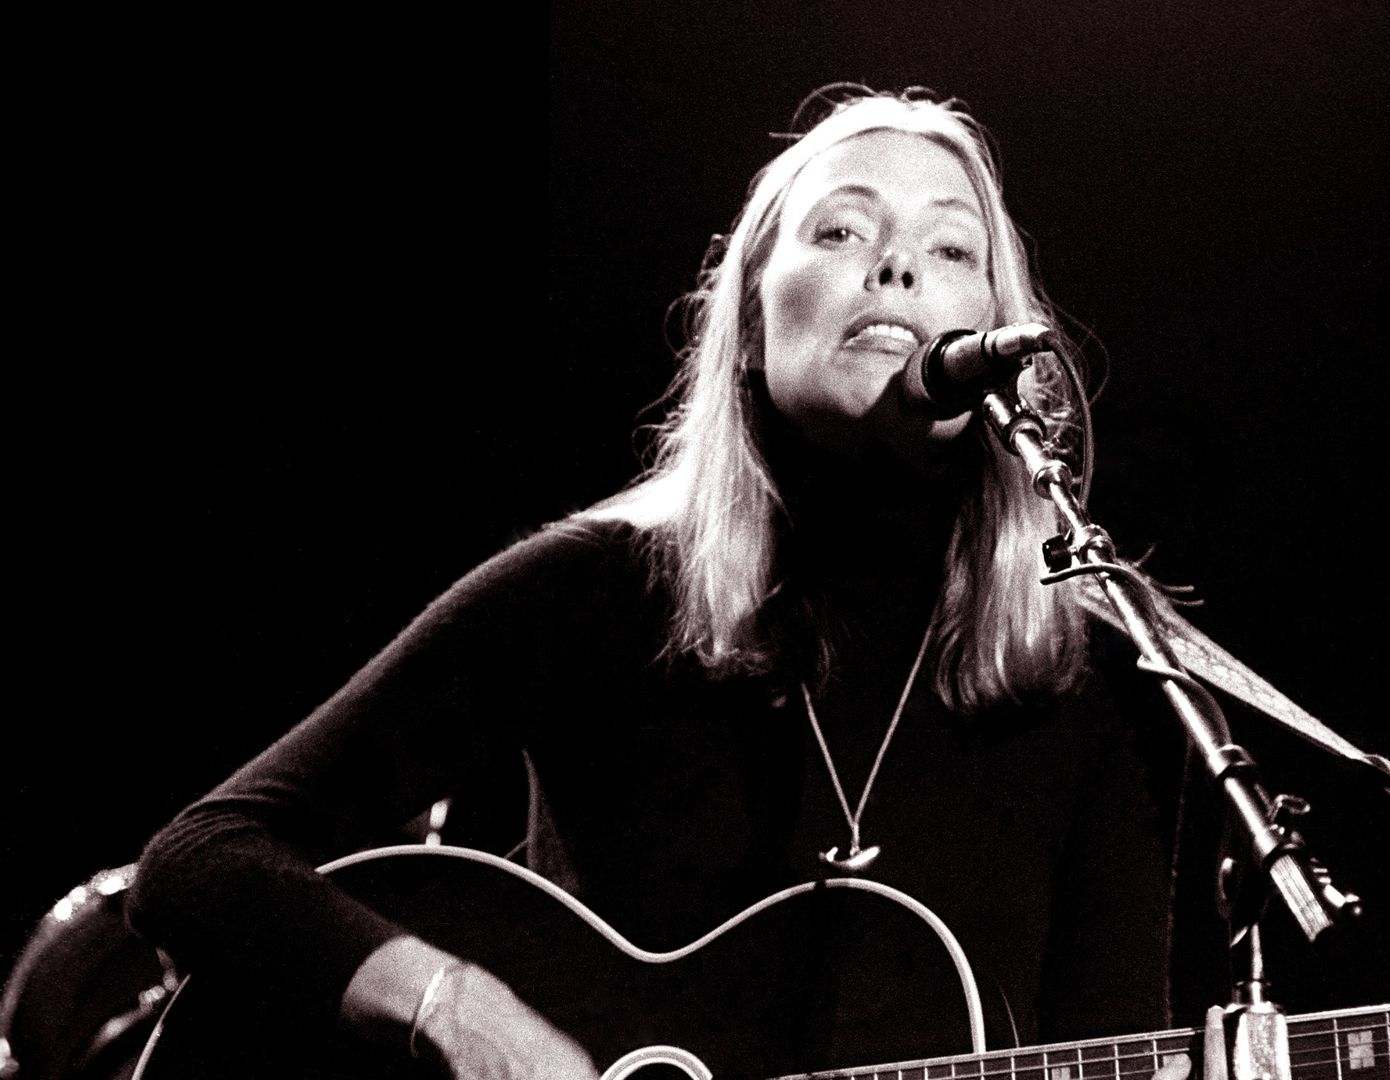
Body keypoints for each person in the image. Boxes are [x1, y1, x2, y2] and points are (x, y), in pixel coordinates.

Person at [126, 87, 1185, 1078]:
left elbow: (1115, 1038)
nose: (897, 268)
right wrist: (454, 1005)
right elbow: (201, 859)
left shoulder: (1095, 680)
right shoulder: (599, 591)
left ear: (1004, 339)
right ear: (755, 322)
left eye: (952, 246)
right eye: (843, 231)